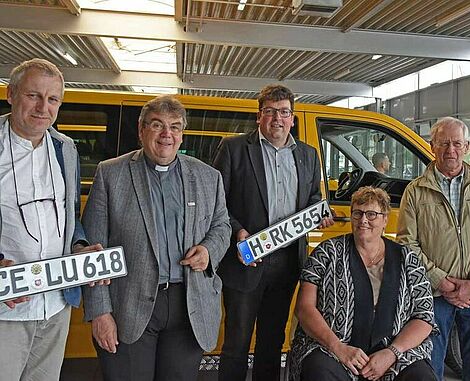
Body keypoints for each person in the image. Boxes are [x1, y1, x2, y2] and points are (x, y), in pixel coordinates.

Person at [81, 95, 231, 381]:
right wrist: (100, 313)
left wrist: (209, 250)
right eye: (157, 125)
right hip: (129, 305)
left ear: (182, 134)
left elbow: (222, 225)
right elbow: (93, 251)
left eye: (175, 127)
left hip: (189, 306)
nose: (167, 134)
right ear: (141, 130)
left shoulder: (208, 177)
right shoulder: (111, 174)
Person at [213, 84, 333, 381]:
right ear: (259, 116)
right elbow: (215, 203)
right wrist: (238, 232)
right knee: (237, 342)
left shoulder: (307, 155)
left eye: (284, 112)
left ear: (292, 118)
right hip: (245, 259)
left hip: (287, 263)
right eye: (270, 112)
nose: (277, 118)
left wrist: (320, 211)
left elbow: (312, 197)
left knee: (272, 341)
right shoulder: (234, 149)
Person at [0, 58, 97, 380]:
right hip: (6, 307)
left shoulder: (64, 148)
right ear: (11, 94)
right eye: (33, 95)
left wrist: (80, 246)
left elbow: (71, 215)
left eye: (53, 99)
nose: (43, 107)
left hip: (56, 303)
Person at [397, 116, 470, 381]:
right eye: (444, 143)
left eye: (457, 143)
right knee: (430, 361)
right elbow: (406, 242)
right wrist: (441, 281)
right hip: (434, 293)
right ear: (432, 146)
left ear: (467, 146)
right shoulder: (415, 191)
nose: (451, 150)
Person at [290, 186, 436, 381]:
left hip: (394, 354)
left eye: (372, 214)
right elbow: (304, 308)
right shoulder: (326, 253)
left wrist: (392, 352)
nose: (363, 220)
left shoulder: (408, 259)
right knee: (318, 371)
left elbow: (424, 317)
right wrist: (338, 348)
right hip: (334, 349)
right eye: (357, 213)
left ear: (385, 219)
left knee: (422, 377)